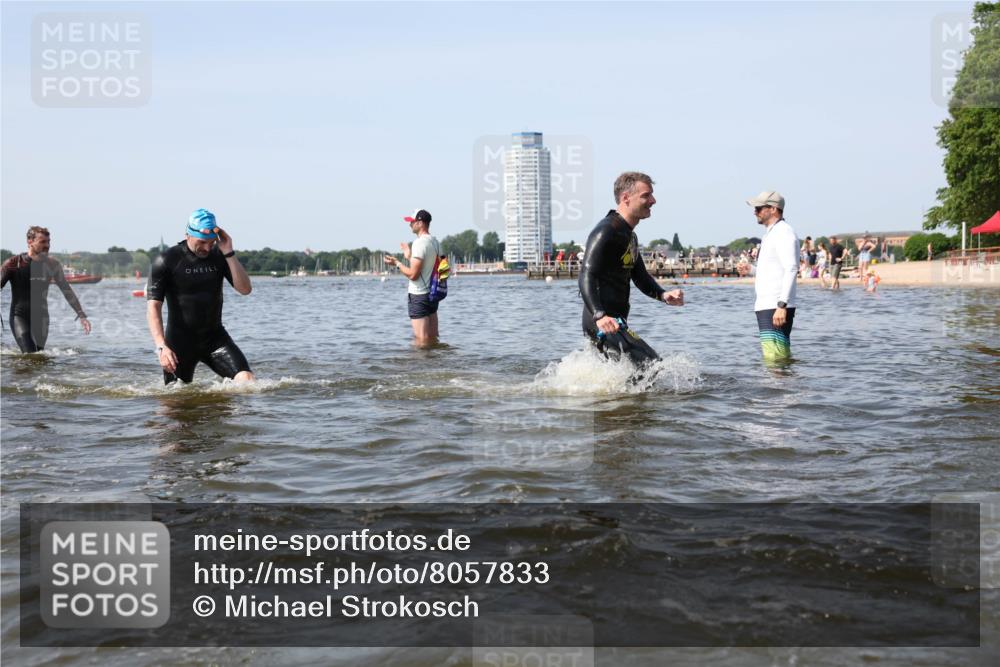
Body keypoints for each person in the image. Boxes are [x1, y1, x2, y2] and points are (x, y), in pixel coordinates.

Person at [578, 172, 684, 366]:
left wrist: (662, 295)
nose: (653, 200)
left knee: (634, 374)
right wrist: (599, 315)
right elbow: (587, 274)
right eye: (646, 195)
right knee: (651, 365)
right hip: (602, 321)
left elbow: (640, 276)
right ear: (626, 198)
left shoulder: (629, 235)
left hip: (616, 321)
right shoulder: (607, 230)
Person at [146, 209, 255, 384]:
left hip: (215, 338)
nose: (207, 248)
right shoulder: (165, 260)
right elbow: (153, 307)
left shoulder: (220, 255)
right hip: (178, 343)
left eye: (212, 242)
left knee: (247, 380)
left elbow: (245, 289)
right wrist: (161, 346)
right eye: (202, 242)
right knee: (174, 402)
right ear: (188, 234)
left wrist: (228, 252)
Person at [1, 226, 91, 352]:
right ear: (30, 242)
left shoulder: (52, 264)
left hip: (42, 318)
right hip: (19, 316)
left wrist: (81, 315)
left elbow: (66, 290)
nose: (47, 245)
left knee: (39, 357)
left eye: (48, 242)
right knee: (30, 353)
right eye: (42, 242)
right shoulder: (13, 263)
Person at [747, 191, 798, 363]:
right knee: (773, 357)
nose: (755, 212)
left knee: (777, 358)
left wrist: (782, 305)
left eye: (759, 208)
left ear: (774, 209)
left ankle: (783, 388)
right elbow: (769, 270)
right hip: (766, 305)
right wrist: (750, 269)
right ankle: (776, 389)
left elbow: (791, 268)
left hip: (776, 305)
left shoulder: (784, 232)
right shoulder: (770, 234)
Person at [383, 209, 442, 346]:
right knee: (433, 338)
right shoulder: (435, 242)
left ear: (420, 223)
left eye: (412, 222)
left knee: (421, 339)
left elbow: (413, 275)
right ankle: (436, 364)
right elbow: (426, 267)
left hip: (419, 295)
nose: (410, 225)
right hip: (433, 295)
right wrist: (409, 255)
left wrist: (396, 263)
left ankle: (420, 366)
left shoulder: (419, 243)